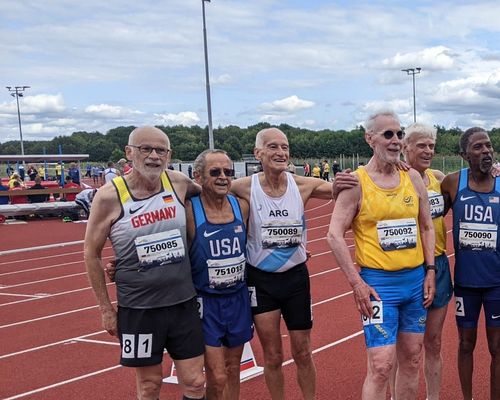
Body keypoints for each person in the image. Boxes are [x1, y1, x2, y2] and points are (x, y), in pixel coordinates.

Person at [230, 127, 356, 400]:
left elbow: (349, 185)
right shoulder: (243, 187)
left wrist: (390, 160)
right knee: (273, 354)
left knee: (302, 350)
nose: (281, 152)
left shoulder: (304, 184)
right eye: (273, 147)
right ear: (258, 153)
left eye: (285, 147)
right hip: (260, 281)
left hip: (295, 279)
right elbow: (202, 190)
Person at [84, 126, 205, 400]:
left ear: (169, 155)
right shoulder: (109, 196)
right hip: (139, 308)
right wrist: (105, 309)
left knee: (196, 382)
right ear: (129, 153)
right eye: (145, 149)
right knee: (150, 386)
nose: (153, 156)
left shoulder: (179, 183)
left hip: (183, 303)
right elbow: (91, 253)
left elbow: (216, 194)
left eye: (160, 150)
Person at [326, 110, 436, 400]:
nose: (396, 141)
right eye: (388, 134)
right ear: (370, 138)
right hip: (378, 287)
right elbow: (334, 235)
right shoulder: (356, 182)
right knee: (381, 365)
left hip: (414, 283)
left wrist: (431, 271)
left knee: (412, 358)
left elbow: (426, 226)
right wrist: (356, 284)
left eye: (399, 134)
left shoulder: (412, 178)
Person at [188, 149, 253, 400]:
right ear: (198, 176)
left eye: (228, 172)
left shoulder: (242, 207)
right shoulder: (189, 212)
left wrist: (299, 251)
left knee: (232, 369)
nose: (223, 177)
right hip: (206, 304)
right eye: (215, 172)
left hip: (237, 299)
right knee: (216, 376)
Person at [441, 127, 500, 400]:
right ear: (465, 154)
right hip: (465, 284)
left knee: (497, 347)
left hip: (497, 284)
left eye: (488, 146)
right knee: (466, 344)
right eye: (478, 147)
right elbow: (426, 217)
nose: (486, 151)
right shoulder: (452, 183)